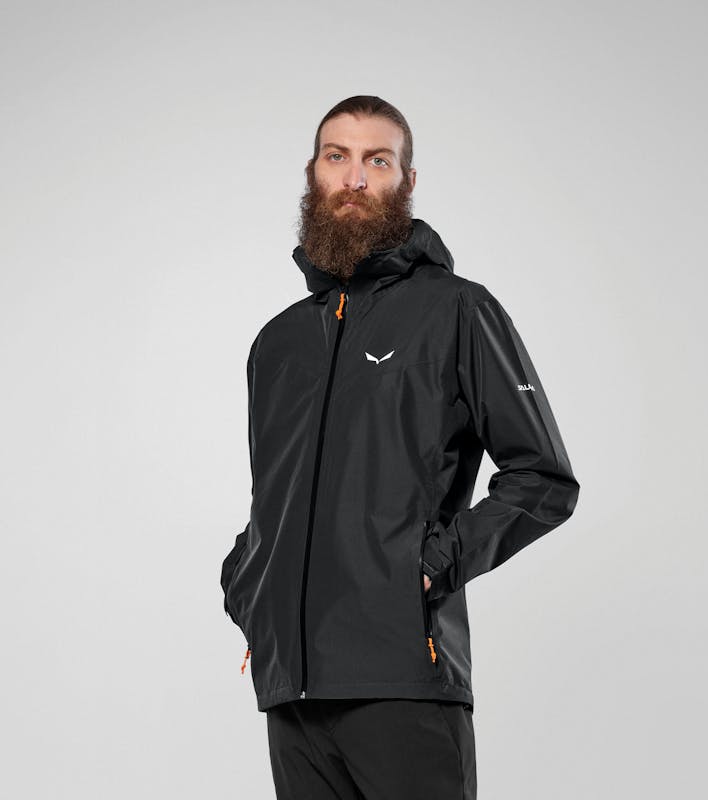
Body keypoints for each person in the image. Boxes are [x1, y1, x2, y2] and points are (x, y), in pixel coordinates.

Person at [220, 95, 580, 799]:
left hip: (403, 684)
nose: (354, 178)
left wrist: (429, 565)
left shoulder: (457, 310)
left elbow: (543, 478)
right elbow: (276, 497)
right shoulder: (277, 343)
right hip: (290, 694)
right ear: (313, 172)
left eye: (377, 161)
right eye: (338, 157)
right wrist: (251, 584)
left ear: (407, 181)